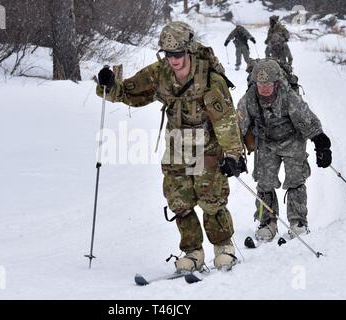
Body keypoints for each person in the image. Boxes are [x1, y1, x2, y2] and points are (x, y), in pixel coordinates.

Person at [96, 21, 246, 272]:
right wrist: (109, 85)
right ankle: (193, 252)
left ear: (188, 50)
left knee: (211, 200)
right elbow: (129, 93)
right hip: (177, 145)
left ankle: (223, 248)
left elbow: (226, 119)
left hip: (206, 145)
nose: (174, 60)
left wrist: (233, 154)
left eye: (178, 54)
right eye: (168, 54)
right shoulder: (160, 73)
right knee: (180, 200)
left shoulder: (209, 78)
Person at [236, 59, 332, 241]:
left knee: (295, 179)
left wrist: (321, 142)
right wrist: (233, 153)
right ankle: (267, 222)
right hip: (266, 141)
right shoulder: (250, 98)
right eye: (260, 84)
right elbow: (237, 125)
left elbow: (307, 119)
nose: (264, 88)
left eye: (268, 84)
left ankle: (298, 222)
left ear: (277, 82)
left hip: (292, 139)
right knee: (264, 181)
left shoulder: (288, 96)